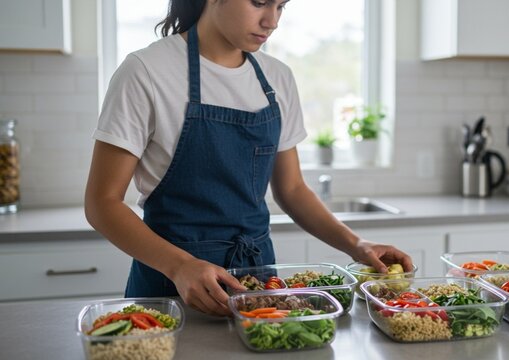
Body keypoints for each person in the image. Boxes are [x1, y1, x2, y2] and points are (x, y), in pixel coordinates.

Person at [85, 0, 413, 316]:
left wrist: (357, 245)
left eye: (281, 5)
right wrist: (180, 266)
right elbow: (102, 202)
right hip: (170, 282)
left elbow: (293, 189)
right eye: (259, 3)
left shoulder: (277, 77)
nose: (272, 21)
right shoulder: (146, 71)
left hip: (258, 285)